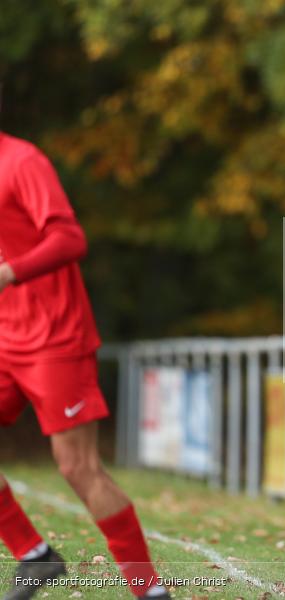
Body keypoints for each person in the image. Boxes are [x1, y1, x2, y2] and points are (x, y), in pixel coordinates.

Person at [0, 132, 169, 600]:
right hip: (4, 337)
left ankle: (149, 590)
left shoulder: (21, 162)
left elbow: (69, 238)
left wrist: (9, 273)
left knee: (77, 466)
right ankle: (35, 557)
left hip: (55, 338)